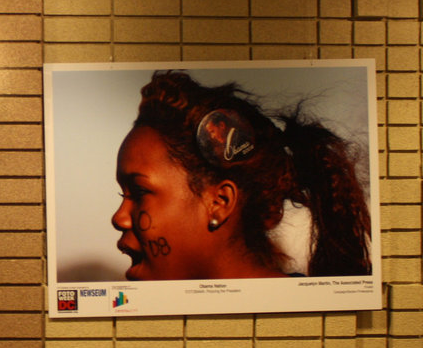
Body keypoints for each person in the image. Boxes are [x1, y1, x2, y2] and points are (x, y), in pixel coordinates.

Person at [111, 70, 371, 281]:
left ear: (219, 203)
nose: (119, 218)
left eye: (140, 191)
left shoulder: (304, 318)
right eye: (124, 195)